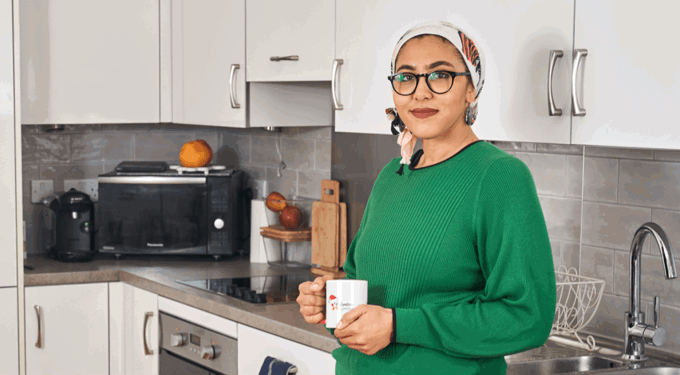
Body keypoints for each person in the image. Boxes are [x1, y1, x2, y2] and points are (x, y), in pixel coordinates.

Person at [297, 20, 556, 375]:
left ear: (471, 90)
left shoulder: (498, 176)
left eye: (440, 75)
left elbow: (527, 316)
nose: (420, 93)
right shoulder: (393, 175)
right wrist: (330, 301)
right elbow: (366, 286)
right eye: (406, 77)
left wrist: (397, 326)